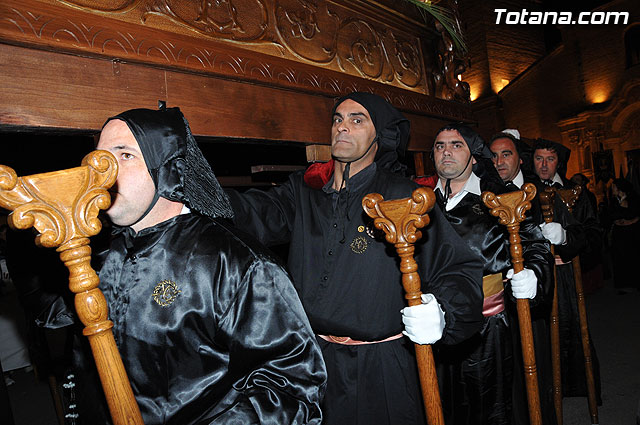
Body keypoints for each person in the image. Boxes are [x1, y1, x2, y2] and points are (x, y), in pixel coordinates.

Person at [226, 92, 484, 425]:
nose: (342, 127)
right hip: (311, 361)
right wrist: (197, 197)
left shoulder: (405, 196)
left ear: (380, 137)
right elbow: (252, 212)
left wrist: (444, 313)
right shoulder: (303, 193)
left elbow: (458, 269)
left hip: (383, 367)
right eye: (337, 119)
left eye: (356, 120)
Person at [90, 106, 327, 424]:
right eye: (99, 156)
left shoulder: (239, 265)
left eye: (125, 155)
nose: (101, 169)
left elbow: (291, 386)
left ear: (167, 168)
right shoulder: (98, 254)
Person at [429, 124, 554, 425]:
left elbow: (535, 245)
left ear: (474, 157)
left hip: (489, 329)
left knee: (493, 408)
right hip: (433, 328)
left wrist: (534, 275)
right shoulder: (420, 202)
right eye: (439, 145)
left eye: (456, 145)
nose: (446, 151)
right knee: (443, 407)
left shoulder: (500, 197)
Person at [531, 138, 602, 402]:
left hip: (567, 275)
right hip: (539, 277)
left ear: (558, 161)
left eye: (550, 159)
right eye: (539, 158)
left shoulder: (576, 193)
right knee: (541, 334)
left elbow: (594, 234)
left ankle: (575, 387)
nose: (544, 165)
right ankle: (546, 391)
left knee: (571, 328)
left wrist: (569, 245)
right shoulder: (526, 192)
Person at [609, 178, 640, 293]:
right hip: (619, 233)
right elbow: (611, 214)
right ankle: (623, 284)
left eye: (614, 187)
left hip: (632, 232)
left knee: (633, 256)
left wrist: (631, 220)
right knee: (620, 257)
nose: (612, 189)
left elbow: (635, 213)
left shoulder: (634, 199)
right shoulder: (613, 200)